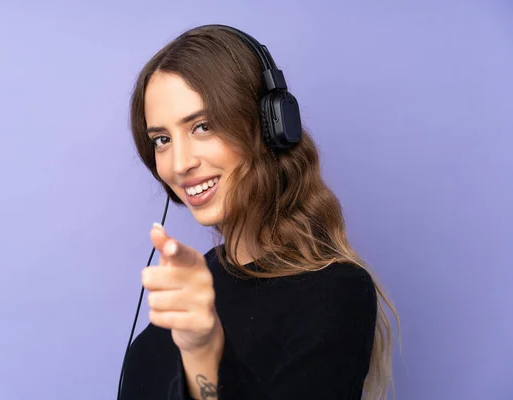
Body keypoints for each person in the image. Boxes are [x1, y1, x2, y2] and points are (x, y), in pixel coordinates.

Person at [119, 24, 398, 400]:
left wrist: (203, 352)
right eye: (162, 140)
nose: (180, 163)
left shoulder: (334, 293)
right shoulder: (189, 291)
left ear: (269, 126)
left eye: (202, 126)